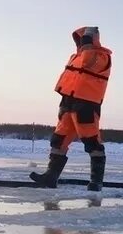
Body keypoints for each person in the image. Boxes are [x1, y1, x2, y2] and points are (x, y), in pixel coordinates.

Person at [30, 26, 112, 191]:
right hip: (68, 102)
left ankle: (96, 182)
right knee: (59, 140)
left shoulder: (102, 56)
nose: (82, 42)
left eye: (85, 39)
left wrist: (88, 43)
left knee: (92, 141)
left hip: (86, 104)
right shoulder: (76, 56)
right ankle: (50, 177)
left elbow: (89, 62)